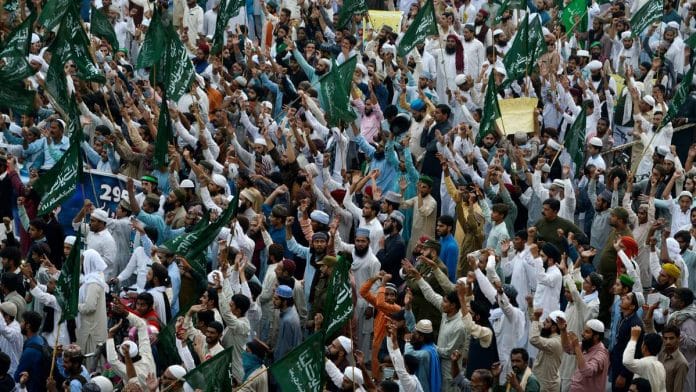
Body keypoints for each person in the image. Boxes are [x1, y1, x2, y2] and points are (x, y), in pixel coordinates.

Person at [77, 249, 109, 371]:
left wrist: (76, 305)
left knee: (92, 365)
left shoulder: (93, 283)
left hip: (92, 330)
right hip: (91, 327)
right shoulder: (92, 279)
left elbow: (89, 307)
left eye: (83, 261)